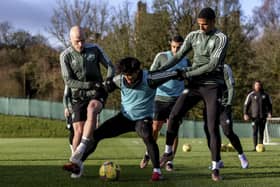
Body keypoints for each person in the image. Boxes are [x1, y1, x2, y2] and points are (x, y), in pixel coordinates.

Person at [63, 57, 181, 181]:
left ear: (137, 71)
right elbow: (104, 88)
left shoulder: (150, 78)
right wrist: (98, 96)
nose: (128, 78)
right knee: (96, 135)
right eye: (125, 75)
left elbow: (171, 73)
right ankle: (77, 164)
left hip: (142, 119)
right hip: (124, 118)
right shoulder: (120, 79)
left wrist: (181, 74)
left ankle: (157, 172)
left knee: (148, 136)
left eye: (130, 75)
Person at [157, 7, 228, 181]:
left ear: (212, 22)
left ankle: (215, 166)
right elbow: (178, 56)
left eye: (204, 25)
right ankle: (167, 153)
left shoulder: (221, 38)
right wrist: (162, 70)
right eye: (199, 24)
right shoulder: (193, 36)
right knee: (173, 116)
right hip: (195, 85)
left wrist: (187, 73)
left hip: (212, 86)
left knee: (211, 127)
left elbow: (212, 65)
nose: (201, 28)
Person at [60, 26, 115, 178]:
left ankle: (80, 150)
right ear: (70, 40)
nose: (81, 44)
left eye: (83, 40)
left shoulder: (95, 49)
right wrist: (88, 85)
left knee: (92, 108)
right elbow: (68, 81)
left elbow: (110, 66)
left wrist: (108, 80)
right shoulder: (65, 56)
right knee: (78, 129)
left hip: (97, 92)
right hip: (79, 95)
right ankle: (76, 163)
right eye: (77, 41)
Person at [140, 35, 189, 171]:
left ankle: (169, 161)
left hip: (177, 100)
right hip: (160, 98)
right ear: (170, 45)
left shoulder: (186, 60)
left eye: (179, 48)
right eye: (173, 47)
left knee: (173, 130)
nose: (175, 50)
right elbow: (151, 74)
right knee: (155, 128)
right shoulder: (161, 57)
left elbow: (190, 77)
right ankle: (147, 154)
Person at [204, 64, 248, 169]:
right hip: (210, 106)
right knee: (210, 133)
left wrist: (229, 103)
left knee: (228, 132)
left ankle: (242, 156)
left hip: (223, 106)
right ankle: (217, 160)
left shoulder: (225, 68)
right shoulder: (204, 66)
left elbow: (231, 87)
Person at [243, 80, 272, 151]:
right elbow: (246, 105)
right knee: (255, 132)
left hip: (263, 116)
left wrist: (269, 113)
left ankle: (261, 146)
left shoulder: (265, 95)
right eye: (256, 85)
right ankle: (255, 147)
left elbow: (270, 105)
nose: (257, 86)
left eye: (259, 85)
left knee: (261, 132)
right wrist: (245, 114)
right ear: (254, 86)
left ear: (261, 85)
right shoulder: (251, 94)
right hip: (254, 117)